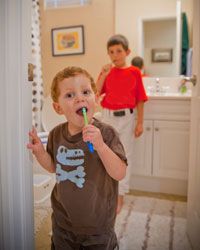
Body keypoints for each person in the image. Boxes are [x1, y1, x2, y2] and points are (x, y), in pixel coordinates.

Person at [27, 66, 127, 249]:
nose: (80, 98)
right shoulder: (56, 134)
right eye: (70, 95)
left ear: (95, 99)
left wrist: (101, 146)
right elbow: (53, 167)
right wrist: (40, 152)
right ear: (58, 108)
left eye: (86, 92)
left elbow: (119, 173)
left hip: (98, 226)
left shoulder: (106, 133)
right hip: (62, 222)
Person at [96, 34, 148, 214]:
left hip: (127, 119)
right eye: (111, 52)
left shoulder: (134, 71)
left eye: (118, 51)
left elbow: (140, 99)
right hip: (108, 117)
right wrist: (103, 74)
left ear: (127, 52)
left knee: (124, 156)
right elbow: (96, 93)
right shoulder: (107, 71)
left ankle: (120, 197)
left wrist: (140, 123)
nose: (115, 55)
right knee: (106, 154)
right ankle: (108, 193)